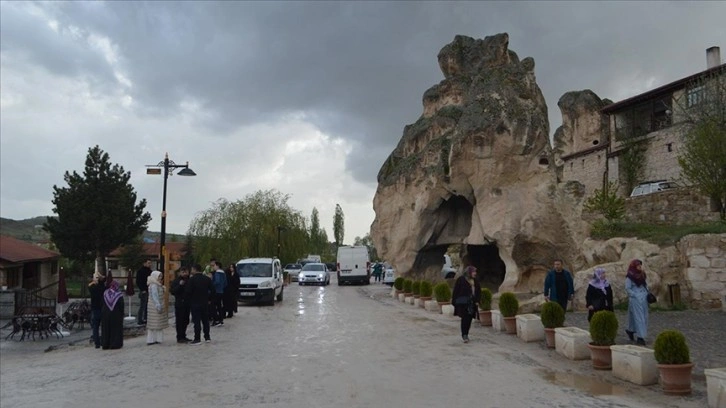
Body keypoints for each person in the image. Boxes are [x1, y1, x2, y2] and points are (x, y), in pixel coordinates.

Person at [451, 266, 481, 343]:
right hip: (463, 303)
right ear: (469, 272)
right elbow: (456, 291)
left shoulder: (475, 281)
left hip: (472, 303)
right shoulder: (461, 280)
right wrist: (454, 301)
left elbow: (478, 291)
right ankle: (464, 335)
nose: (475, 273)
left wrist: (477, 300)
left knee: (469, 319)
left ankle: (466, 333)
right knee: (465, 319)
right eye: (474, 272)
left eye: (475, 272)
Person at [186, 264, 213, 345]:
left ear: (194, 269)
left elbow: (188, 292)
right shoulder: (207, 279)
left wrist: (189, 301)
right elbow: (213, 290)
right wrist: (209, 299)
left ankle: (197, 338)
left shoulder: (192, 280)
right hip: (204, 302)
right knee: (205, 320)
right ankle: (207, 337)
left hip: (195, 303)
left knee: (197, 321)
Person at [625, 259, 649, 346]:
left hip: (644, 297)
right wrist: (635, 295)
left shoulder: (642, 274)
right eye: (638, 265)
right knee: (639, 317)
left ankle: (630, 330)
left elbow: (645, 284)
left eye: (640, 265)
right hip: (636, 299)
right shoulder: (630, 276)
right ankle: (640, 337)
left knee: (644, 316)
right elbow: (628, 288)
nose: (640, 267)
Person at [101, 279, 124, 349]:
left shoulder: (105, 293)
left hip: (105, 314)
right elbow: (121, 306)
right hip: (116, 314)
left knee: (106, 329)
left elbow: (102, 303)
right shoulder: (119, 295)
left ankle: (105, 344)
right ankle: (115, 344)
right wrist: (122, 313)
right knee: (115, 329)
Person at [146, 270, 168, 345]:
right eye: (159, 276)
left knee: (158, 323)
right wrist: (157, 304)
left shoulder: (157, 284)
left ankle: (158, 339)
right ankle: (151, 339)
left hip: (156, 304)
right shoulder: (154, 285)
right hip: (154, 305)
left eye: (161, 276)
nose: (160, 278)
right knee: (154, 323)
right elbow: (155, 296)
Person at [171, 267, 191, 343]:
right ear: (180, 273)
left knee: (186, 320)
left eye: (186, 272)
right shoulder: (176, 281)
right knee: (180, 320)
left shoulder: (189, 280)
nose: (185, 274)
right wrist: (180, 285)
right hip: (180, 303)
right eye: (183, 272)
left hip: (187, 303)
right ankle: (179, 337)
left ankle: (184, 335)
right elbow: (173, 291)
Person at [88, 271, 106, 349]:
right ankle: (103, 341)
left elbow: (89, 285)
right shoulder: (103, 288)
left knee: (95, 327)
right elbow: (104, 279)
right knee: (103, 326)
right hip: (102, 308)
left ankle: (97, 343)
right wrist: (99, 275)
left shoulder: (92, 288)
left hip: (95, 309)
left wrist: (94, 280)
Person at [136, 259, 152, 325]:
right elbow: (138, 281)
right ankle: (140, 319)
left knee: (147, 306)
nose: (150, 264)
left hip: (149, 290)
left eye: (150, 263)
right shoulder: (140, 271)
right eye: (148, 263)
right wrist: (142, 290)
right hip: (143, 290)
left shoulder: (150, 271)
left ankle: (146, 318)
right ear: (144, 263)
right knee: (142, 305)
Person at [211, 261, 227, 326]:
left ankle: (216, 319)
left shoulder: (217, 273)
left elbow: (217, 282)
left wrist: (211, 285)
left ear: (217, 266)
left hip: (216, 291)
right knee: (219, 306)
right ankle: (221, 319)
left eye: (214, 266)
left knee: (213, 306)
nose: (213, 267)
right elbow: (225, 283)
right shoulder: (223, 273)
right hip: (221, 291)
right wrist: (222, 288)